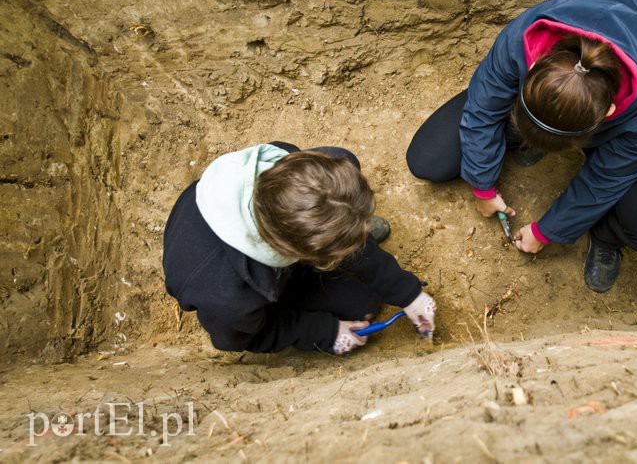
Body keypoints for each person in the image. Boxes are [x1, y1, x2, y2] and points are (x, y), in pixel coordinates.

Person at [406, 0, 637, 292]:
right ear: (531, 73)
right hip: (556, 103)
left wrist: (548, 231)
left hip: (630, 126)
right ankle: (523, 133)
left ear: (608, 113)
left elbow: (605, 180)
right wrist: (482, 184)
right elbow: (483, 108)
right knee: (429, 160)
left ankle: (606, 234)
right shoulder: (524, 38)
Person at [163, 142, 436, 355]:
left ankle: (343, 230)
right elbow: (242, 338)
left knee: (342, 163)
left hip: (269, 241)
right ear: (299, 254)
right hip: (242, 278)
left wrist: (407, 293)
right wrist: (325, 332)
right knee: (360, 305)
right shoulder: (228, 300)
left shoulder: (280, 164)